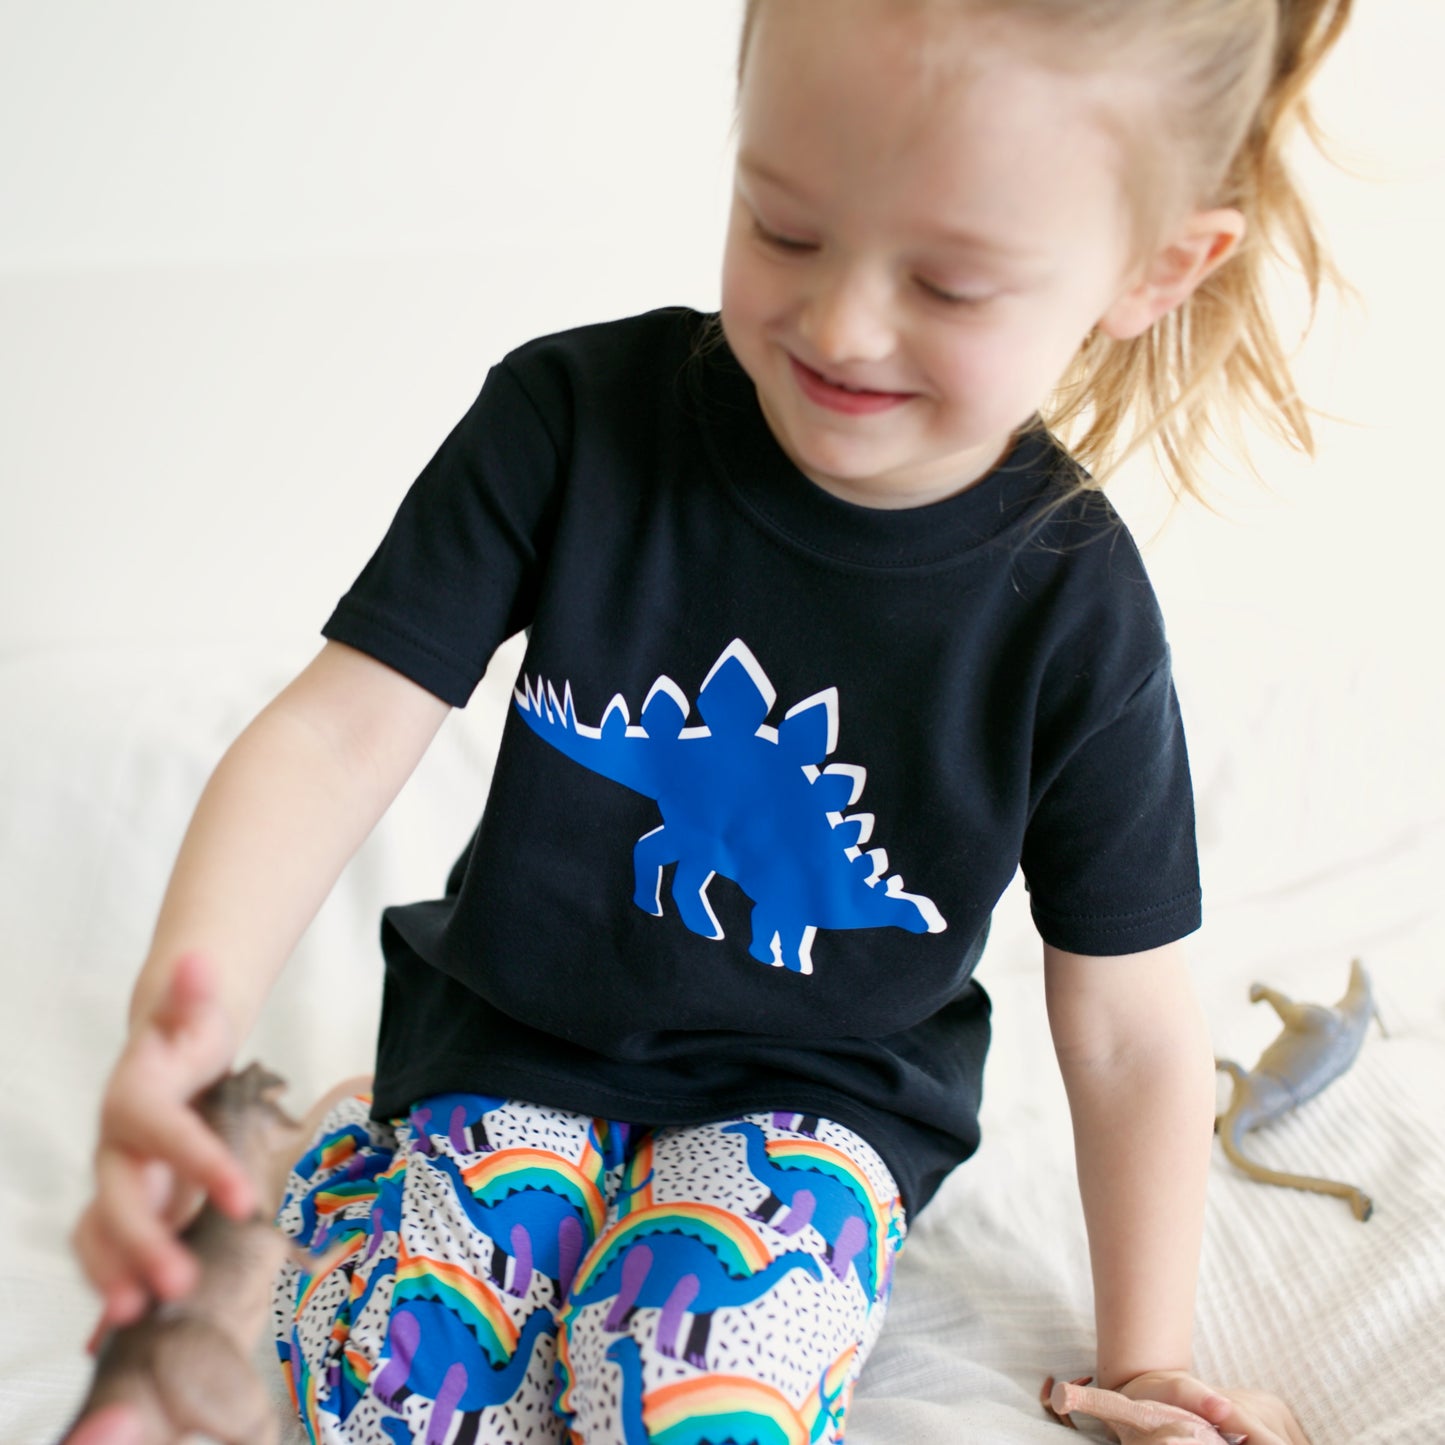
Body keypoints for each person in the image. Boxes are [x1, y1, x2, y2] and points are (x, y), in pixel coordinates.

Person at [72, 1, 1351, 1441]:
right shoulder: (567, 420)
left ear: (1153, 269)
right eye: (783, 227)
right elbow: (333, 734)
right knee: (408, 1396)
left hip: (820, 1102)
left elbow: (1126, 1020)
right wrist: (181, 1031)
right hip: (510, 1042)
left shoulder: (1073, 607)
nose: (841, 322)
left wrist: (1149, 1363)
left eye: (949, 283)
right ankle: (333, 1149)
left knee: (699, 1405)